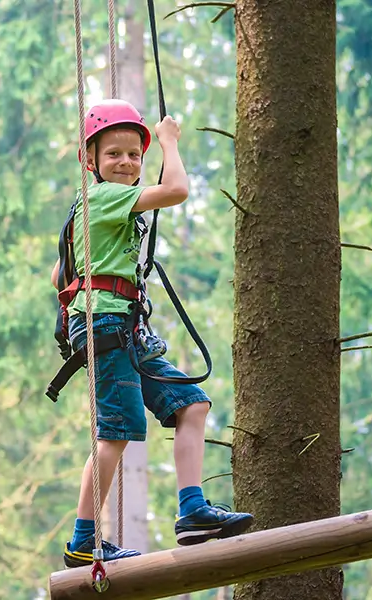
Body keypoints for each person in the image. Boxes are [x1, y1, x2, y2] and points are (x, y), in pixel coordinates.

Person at [51, 99, 253, 569]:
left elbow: (59, 274)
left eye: (134, 155)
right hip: (107, 326)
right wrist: (167, 142)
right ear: (91, 161)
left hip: (119, 326)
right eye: (113, 154)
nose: (125, 163)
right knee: (115, 432)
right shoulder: (102, 196)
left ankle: (192, 510)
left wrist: (89, 283)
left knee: (191, 405)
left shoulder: (91, 210)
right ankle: (84, 539)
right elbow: (178, 189)